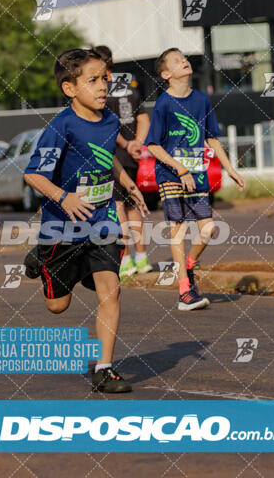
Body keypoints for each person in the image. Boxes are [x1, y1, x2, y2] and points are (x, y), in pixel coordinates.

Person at [24, 48, 149, 393]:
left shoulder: (110, 120)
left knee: (112, 291)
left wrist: (128, 184)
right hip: (62, 225)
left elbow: (108, 158)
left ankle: (104, 369)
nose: (102, 86)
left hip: (103, 221)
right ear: (69, 88)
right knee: (57, 306)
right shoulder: (60, 126)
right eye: (92, 80)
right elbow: (33, 175)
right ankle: (41, 259)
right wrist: (65, 197)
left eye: (104, 78)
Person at [144, 48, 245, 311]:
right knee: (177, 230)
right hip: (170, 174)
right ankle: (184, 291)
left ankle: (188, 265)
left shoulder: (201, 100)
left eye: (184, 58)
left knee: (208, 229)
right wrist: (179, 168)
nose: (184, 62)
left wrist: (230, 169)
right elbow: (153, 146)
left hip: (196, 174)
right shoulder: (164, 104)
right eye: (177, 61)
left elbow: (212, 137)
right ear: (166, 74)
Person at [94, 45, 152, 280]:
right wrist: (137, 143)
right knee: (133, 204)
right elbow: (143, 118)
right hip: (131, 157)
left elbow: (107, 125)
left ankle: (125, 259)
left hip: (113, 154)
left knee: (117, 207)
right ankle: (142, 257)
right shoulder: (128, 87)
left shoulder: (99, 91)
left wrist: (127, 145)